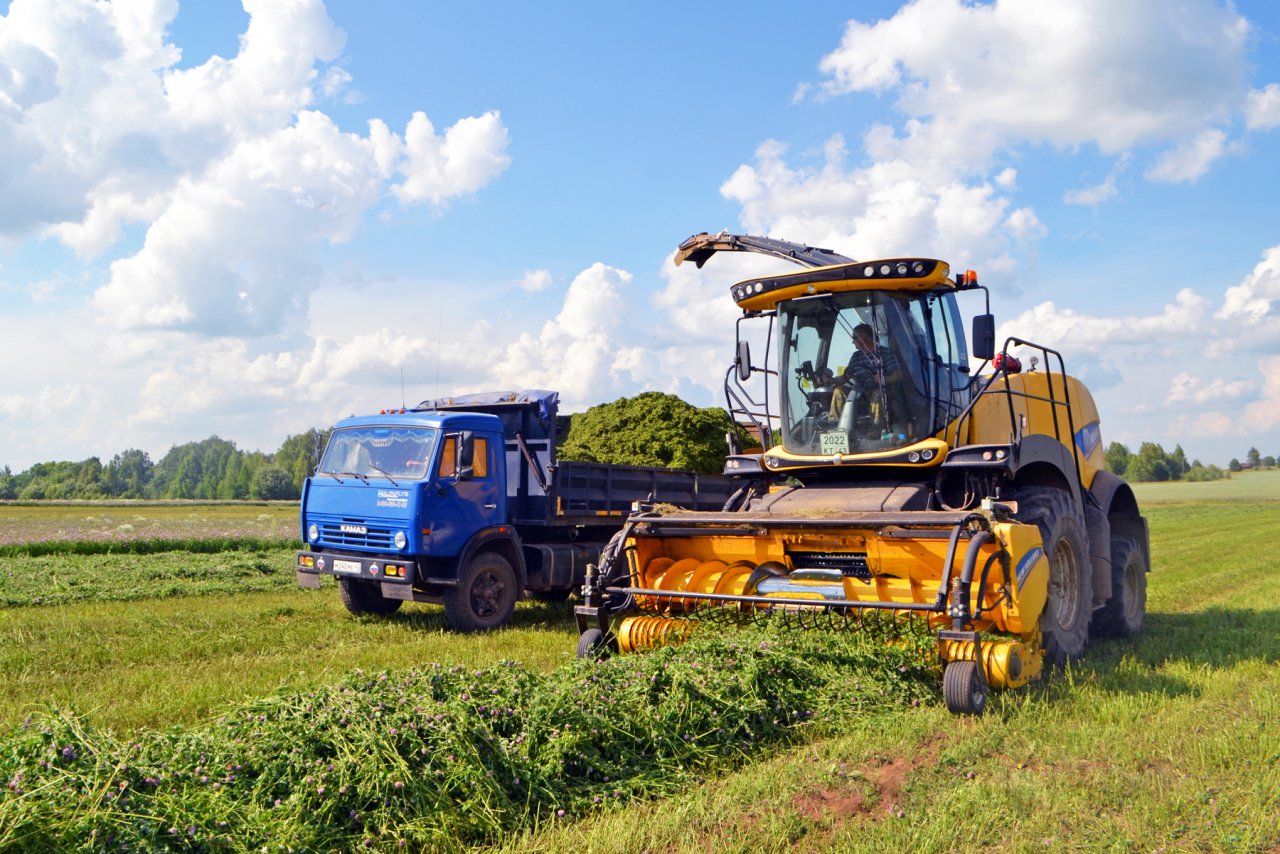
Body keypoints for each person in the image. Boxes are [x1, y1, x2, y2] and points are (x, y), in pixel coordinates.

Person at [829, 323, 906, 434]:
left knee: (877, 395)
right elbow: (847, 377)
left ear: (865, 337)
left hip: (882, 390)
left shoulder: (884, 353)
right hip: (861, 392)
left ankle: (876, 432)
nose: (852, 341)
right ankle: (835, 429)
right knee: (838, 391)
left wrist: (882, 379)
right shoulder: (856, 356)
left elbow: (897, 375)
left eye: (854, 338)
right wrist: (830, 380)